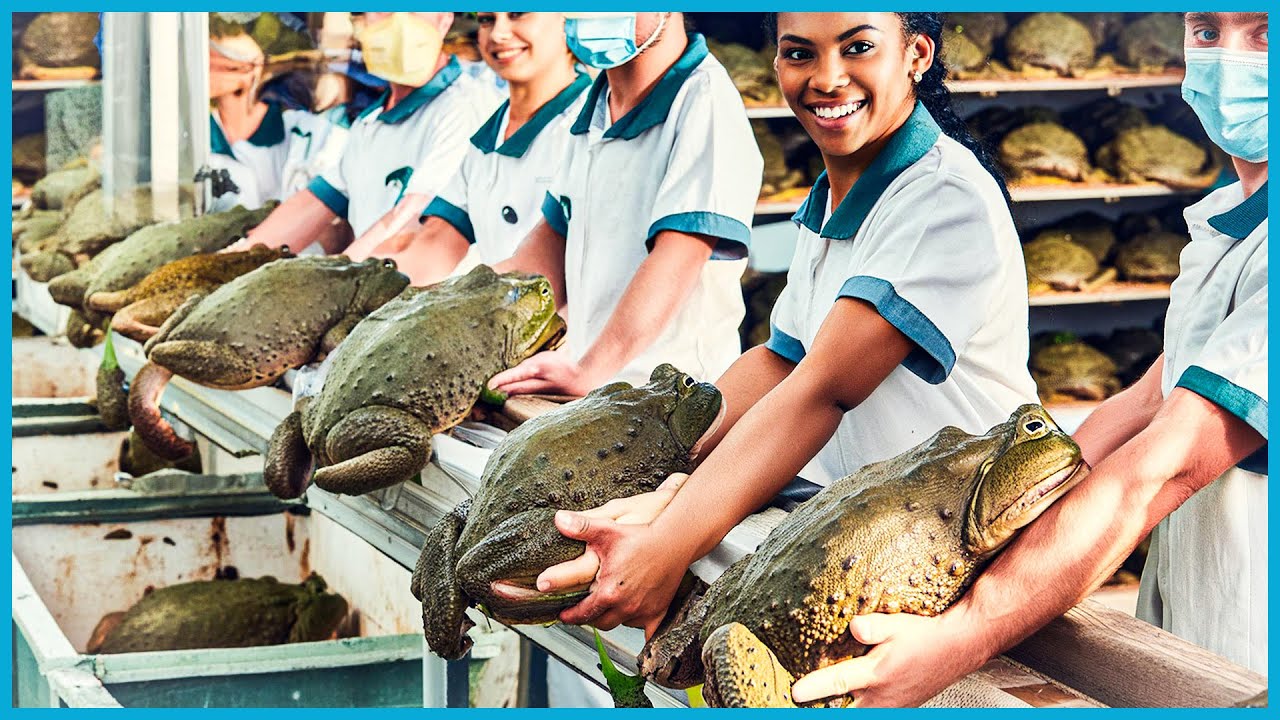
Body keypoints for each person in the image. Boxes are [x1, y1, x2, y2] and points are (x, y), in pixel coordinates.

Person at [764, 11, 1268, 707]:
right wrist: (992, 529)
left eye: (1262, 33)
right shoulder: (1225, 221)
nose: (1226, 61)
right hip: (1191, 632)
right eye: (1206, 32)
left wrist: (966, 631)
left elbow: (1164, 466)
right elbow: (1149, 401)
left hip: (1254, 651)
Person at [531, 11, 1039, 648]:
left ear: (915, 54)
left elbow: (821, 390)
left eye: (858, 48)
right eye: (799, 54)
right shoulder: (835, 193)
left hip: (963, 546)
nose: (827, 78)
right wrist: (649, 469)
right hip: (876, 533)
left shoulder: (942, 196)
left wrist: (667, 544)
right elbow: (778, 361)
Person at [487, 11, 763, 397]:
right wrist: (446, 307)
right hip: (595, 392)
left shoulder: (705, 102)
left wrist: (589, 371)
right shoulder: (594, 105)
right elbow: (546, 252)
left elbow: (677, 260)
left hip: (667, 404)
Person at [224, 12, 503, 256]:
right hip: (381, 302)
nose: (399, 23)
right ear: (361, 24)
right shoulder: (370, 122)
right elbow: (316, 203)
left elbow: (410, 220)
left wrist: (342, 277)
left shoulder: (464, 110)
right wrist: (237, 258)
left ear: (445, 19)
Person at [348, 12, 590, 282]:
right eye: (487, 20)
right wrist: (355, 289)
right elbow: (435, 246)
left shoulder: (588, 132)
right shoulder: (486, 137)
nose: (498, 34)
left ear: (570, 18)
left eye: (518, 14)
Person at [206, 25, 345, 211]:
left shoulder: (300, 131)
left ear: (248, 72)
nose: (204, 72)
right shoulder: (200, 137)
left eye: (214, 64)